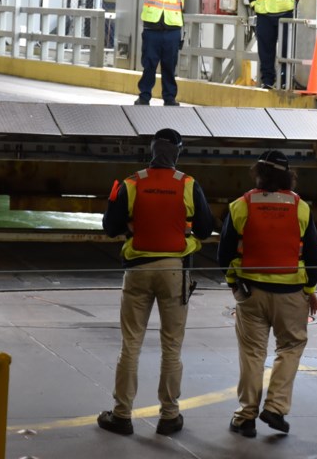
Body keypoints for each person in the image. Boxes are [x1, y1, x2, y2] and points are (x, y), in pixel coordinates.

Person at [97, 128, 213, 436]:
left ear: (151, 150)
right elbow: (204, 229)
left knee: (131, 344)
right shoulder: (189, 185)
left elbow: (110, 227)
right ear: (177, 152)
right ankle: (169, 415)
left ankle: (121, 415)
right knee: (171, 346)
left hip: (137, 270)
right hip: (175, 271)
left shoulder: (132, 183)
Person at [218, 150, 317, 438]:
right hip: (291, 293)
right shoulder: (301, 208)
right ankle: (275, 408)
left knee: (252, 353)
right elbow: (313, 255)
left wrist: (234, 286)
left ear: (259, 173)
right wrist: (310, 290)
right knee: (290, 347)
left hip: (251, 293)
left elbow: (224, 253)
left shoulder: (241, 205)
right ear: (289, 176)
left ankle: (245, 417)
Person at [135, 0, 196, 106]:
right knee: (149, 65)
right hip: (152, 32)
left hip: (172, 33)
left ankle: (169, 98)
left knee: (169, 66)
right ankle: (144, 97)